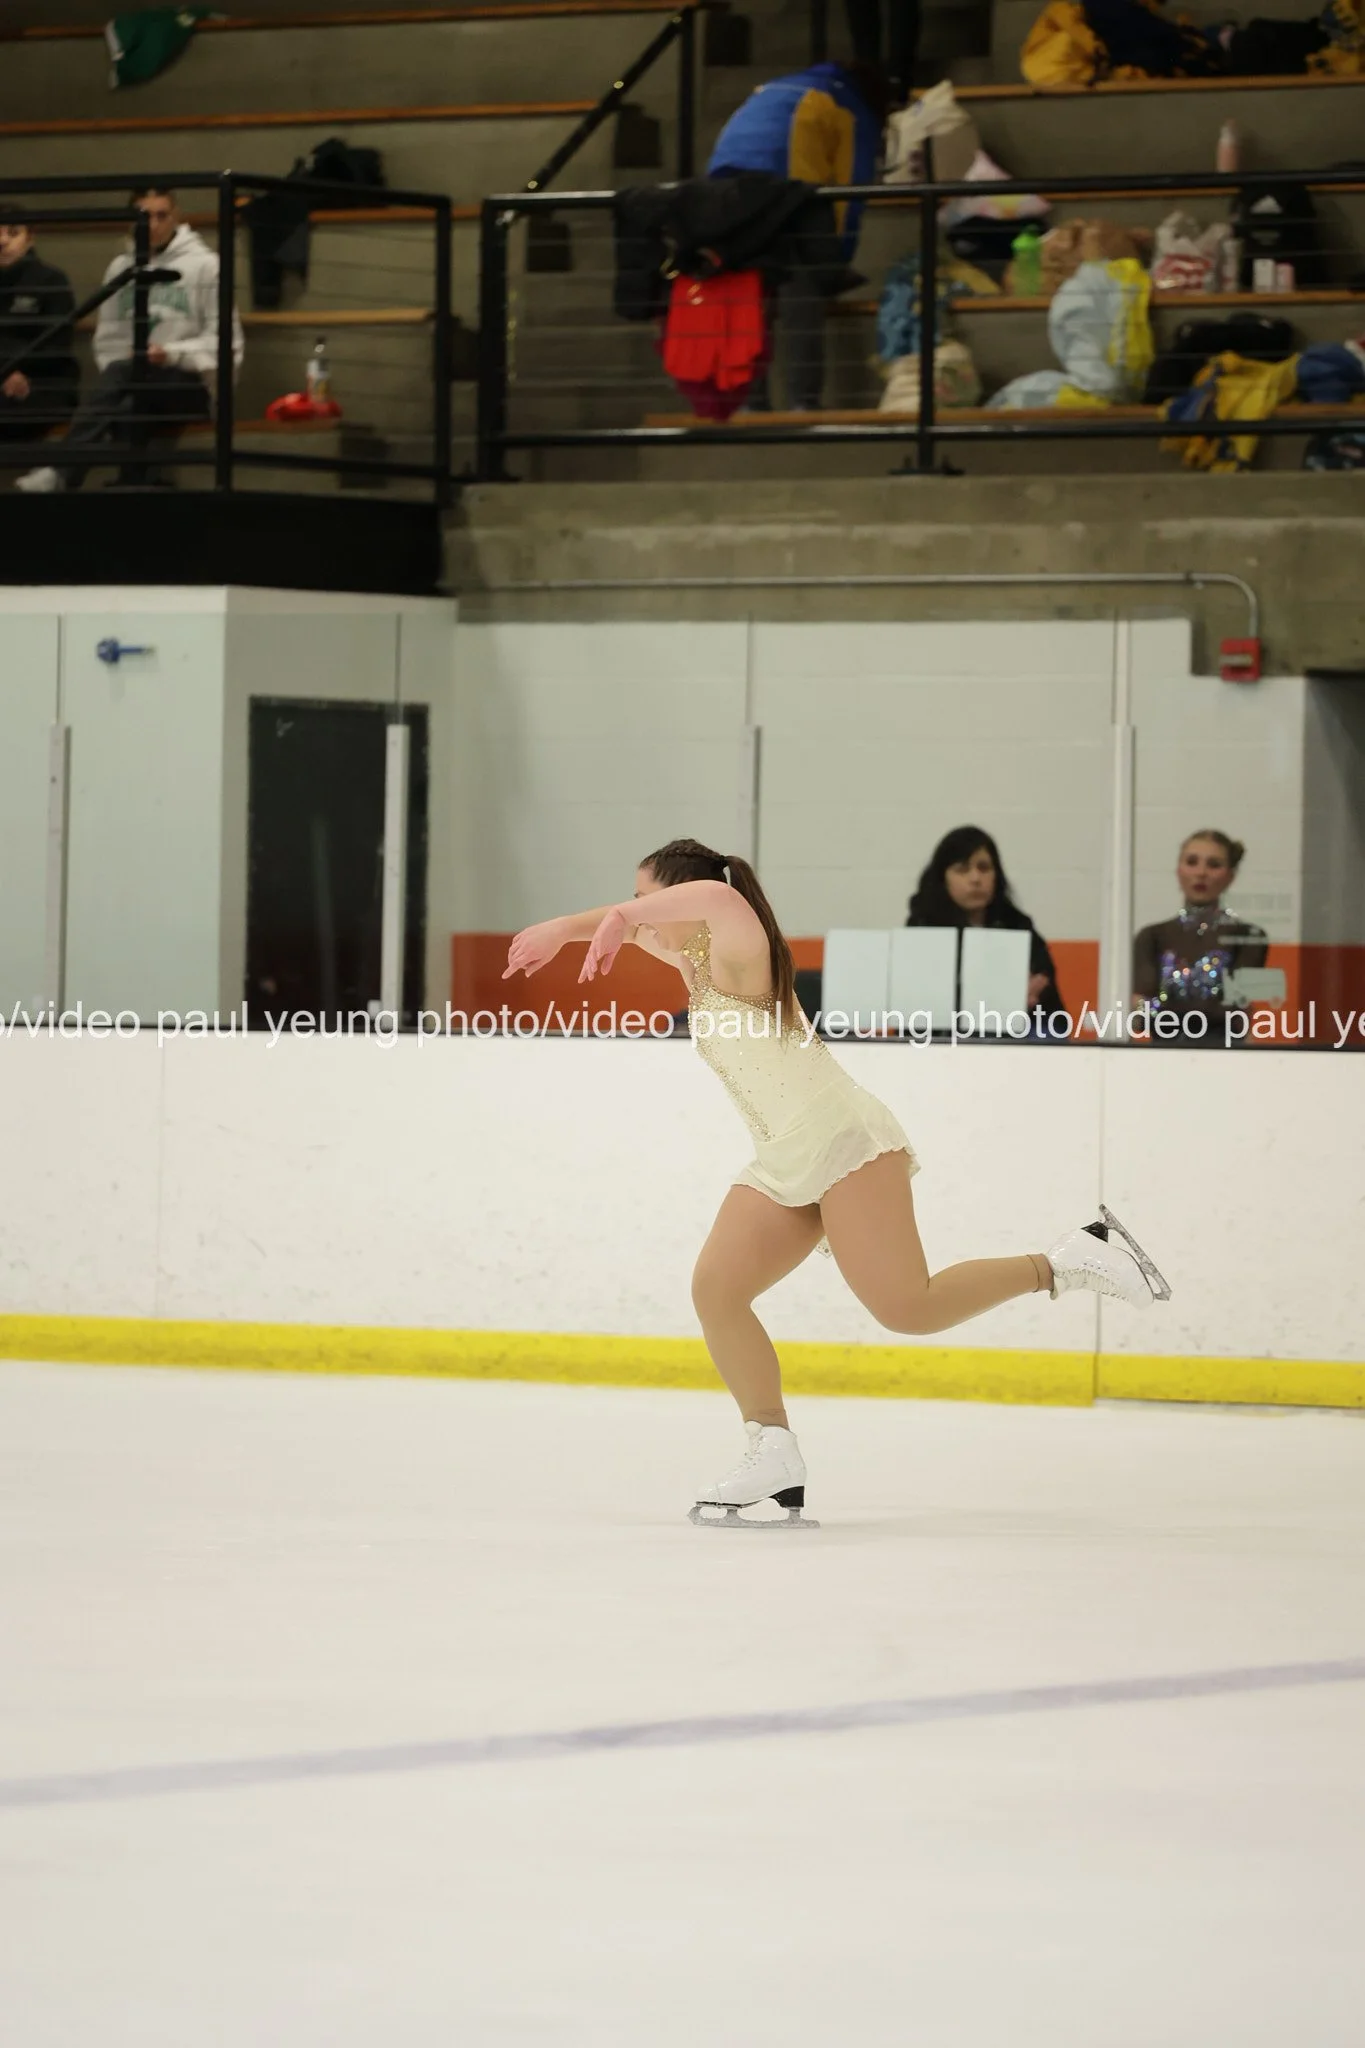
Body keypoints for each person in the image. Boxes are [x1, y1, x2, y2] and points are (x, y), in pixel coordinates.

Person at [504, 837, 1168, 1529]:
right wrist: (564, 928)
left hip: (844, 1143)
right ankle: (772, 1450)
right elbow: (636, 923)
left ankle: (1071, 1260)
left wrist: (618, 917)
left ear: (679, 897)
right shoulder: (689, 956)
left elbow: (716, 896)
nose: (636, 911)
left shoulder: (739, 946)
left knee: (908, 1308)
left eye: (646, 898)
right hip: (783, 1160)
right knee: (717, 1290)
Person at [17, 185, 243, 493]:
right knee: (127, 401)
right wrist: (130, 363)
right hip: (132, 383)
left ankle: (61, 471)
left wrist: (170, 353)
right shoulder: (120, 268)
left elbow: (227, 341)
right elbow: (107, 339)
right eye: (145, 217)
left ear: (176, 217)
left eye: (162, 216)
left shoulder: (206, 265)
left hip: (191, 383)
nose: (154, 225)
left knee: (127, 377)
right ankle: (132, 488)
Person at [706, 61, 887, 411]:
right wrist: (835, 262)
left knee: (747, 299)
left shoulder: (775, 86)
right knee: (800, 294)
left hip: (722, 189)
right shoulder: (850, 107)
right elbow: (850, 193)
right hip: (784, 187)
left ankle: (750, 404)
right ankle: (802, 403)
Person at [908, 824, 1066, 1021]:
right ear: (943, 879)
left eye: (984, 868)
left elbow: (1054, 1016)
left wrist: (1036, 993)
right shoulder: (922, 929)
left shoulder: (1018, 926)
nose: (975, 878)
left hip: (1015, 1032)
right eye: (962, 869)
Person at [1132, 829, 1268, 1038]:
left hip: (1223, 1049)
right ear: (1179, 870)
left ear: (1230, 876)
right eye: (1192, 862)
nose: (1201, 873)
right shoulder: (1152, 936)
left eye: (1214, 865)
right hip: (1164, 1051)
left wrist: (1161, 1010)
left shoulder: (1248, 937)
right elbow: (1140, 1013)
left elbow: (1237, 1012)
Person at [0, 209, 78, 453]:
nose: (2, 241)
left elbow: (56, 346)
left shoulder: (51, 280)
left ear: (30, 238)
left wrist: (16, 369)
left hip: (43, 381)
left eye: (13, 233)